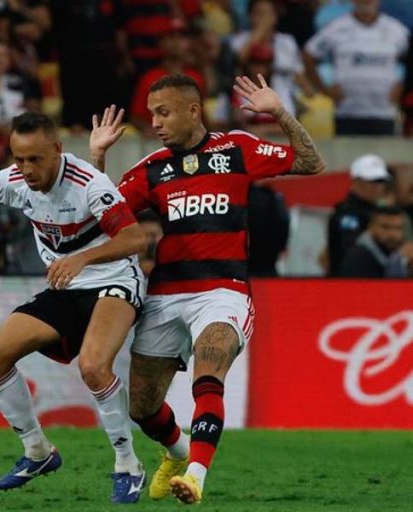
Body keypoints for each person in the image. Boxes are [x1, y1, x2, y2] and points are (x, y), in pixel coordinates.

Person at [89, 73, 325, 504]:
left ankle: (195, 475)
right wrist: (98, 160)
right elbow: (100, 222)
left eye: (163, 113)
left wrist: (277, 112)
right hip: (165, 293)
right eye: (152, 114)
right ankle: (177, 452)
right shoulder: (150, 169)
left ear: (192, 110)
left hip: (223, 289)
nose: (155, 123)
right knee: (141, 406)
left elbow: (311, 162)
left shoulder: (236, 148)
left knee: (209, 367)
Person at [0, 112, 149, 503]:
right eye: (18, 159)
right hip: (65, 285)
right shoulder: (14, 179)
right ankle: (38, 452)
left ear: (57, 150)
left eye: (35, 159)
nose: (25, 169)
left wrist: (82, 259)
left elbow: (135, 238)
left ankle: (128, 465)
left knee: (93, 367)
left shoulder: (89, 184)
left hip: (113, 280)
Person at [304, 0, 409, 136]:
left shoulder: (397, 30)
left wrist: (402, 87)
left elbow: (409, 61)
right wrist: (325, 90)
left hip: (384, 114)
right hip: (347, 113)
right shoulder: (336, 28)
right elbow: (309, 55)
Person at [327, 153, 391, 275]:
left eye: (381, 181)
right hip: (349, 282)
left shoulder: (380, 209)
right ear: (356, 182)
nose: (379, 187)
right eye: (373, 181)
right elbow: (351, 247)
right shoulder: (347, 213)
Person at [338, 205, 413, 277]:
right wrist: (397, 262)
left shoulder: (402, 252)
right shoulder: (358, 256)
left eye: (398, 228)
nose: (392, 234)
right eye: (385, 227)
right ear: (371, 227)